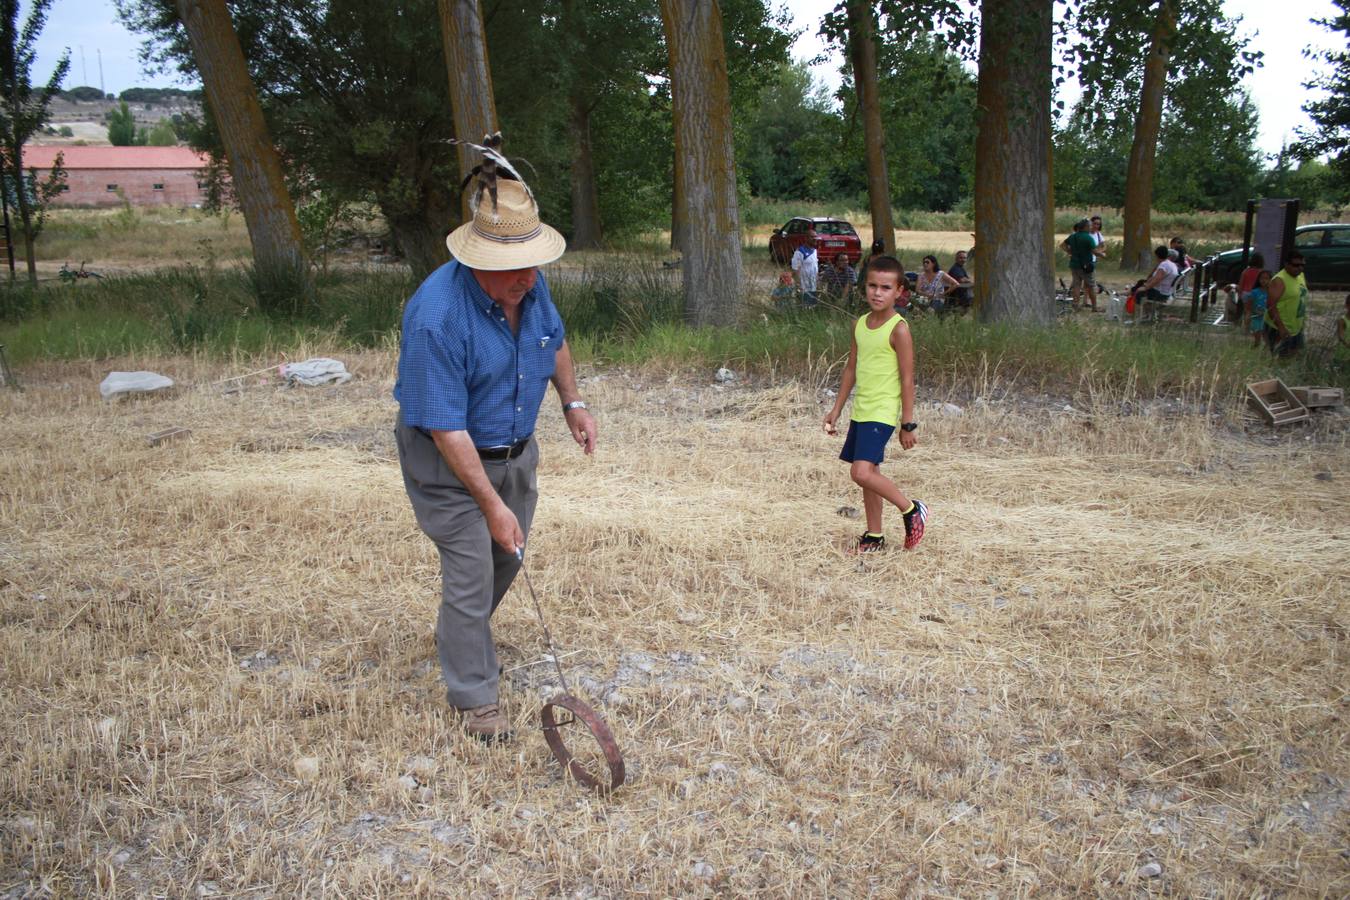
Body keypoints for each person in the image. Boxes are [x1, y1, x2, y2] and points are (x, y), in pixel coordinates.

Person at [394, 155, 597, 743]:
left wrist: (572, 402)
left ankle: (464, 637)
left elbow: (551, 338)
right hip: (446, 456)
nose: (527, 277)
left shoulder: (530, 282)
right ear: (477, 261)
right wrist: (489, 504)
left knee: (506, 558)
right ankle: (475, 697)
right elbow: (446, 430)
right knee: (471, 568)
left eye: (532, 264)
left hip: (515, 449)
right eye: (512, 268)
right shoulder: (436, 317)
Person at [822, 255, 928, 553]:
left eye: (885, 287)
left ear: (899, 291)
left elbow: (907, 379)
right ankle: (874, 537)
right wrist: (837, 409)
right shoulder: (859, 324)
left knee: (860, 472)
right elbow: (851, 369)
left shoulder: (899, 329)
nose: (877, 293)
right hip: (862, 410)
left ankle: (911, 509)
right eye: (872, 285)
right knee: (871, 476)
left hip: (882, 413)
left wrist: (907, 423)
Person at [1265, 252, 1309, 358]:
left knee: (1293, 357)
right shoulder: (1279, 280)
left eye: (1302, 265)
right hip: (1280, 327)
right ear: (1286, 264)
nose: (1299, 268)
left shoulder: (1300, 276)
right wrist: (1281, 327)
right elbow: (1271, 306)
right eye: (1296, 265)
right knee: (1279, 358)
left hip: (1296, 327)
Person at [1062, 218, 1098, 311]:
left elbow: (1063, 245)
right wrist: (1102, 254)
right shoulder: (1088, 238)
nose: (1091, 227)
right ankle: (1094, 307)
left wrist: (1070, 252)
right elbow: (1094, 251)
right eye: (1090, 226)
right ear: (1086, 227)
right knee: (1091, 286)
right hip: (1086, 266)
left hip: (1074, 264)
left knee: (1076, 285)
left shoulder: (1073, 236)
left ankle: (1076, 305)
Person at [1137, 245, 1180, 323]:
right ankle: (1150, 314)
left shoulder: (1164, 265)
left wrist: (1146, 287)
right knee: (1140, 285)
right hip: (1167, 292)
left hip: (1160, 293)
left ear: (1157, 255)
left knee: (1138, 292)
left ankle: (1147, 315)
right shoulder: (1171, 264)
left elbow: (1157, 279)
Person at [791, 229, 820, 306]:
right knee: (804, 307)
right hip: (804, 287)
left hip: (813, 286)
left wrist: (817, 282)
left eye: (815, 236)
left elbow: (815, 268)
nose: (815, 238)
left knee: (813, 307)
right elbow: (795, 270)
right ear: (806, 238)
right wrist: (799, 285)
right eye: (812, 237)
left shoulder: (815, 251)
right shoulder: (799, 251)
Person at [1246, 271, 1271, 348]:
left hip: (1267, 319)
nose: (1264, 280)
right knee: (1257, 338)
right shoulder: (1254, 292)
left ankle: (1264, 351)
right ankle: (1255, 349)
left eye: (1266, 278)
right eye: (1262, 278)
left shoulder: (1271, 292)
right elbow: (1249, 305)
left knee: (1267, 338)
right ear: (1258, 279)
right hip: (1256, 318)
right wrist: (1249, 314)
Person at [1336, 294, 1350, 369]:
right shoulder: (1342, 320)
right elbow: (1340, 336)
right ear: (1347, 306)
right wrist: (1346, 343)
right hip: (1342, 354)